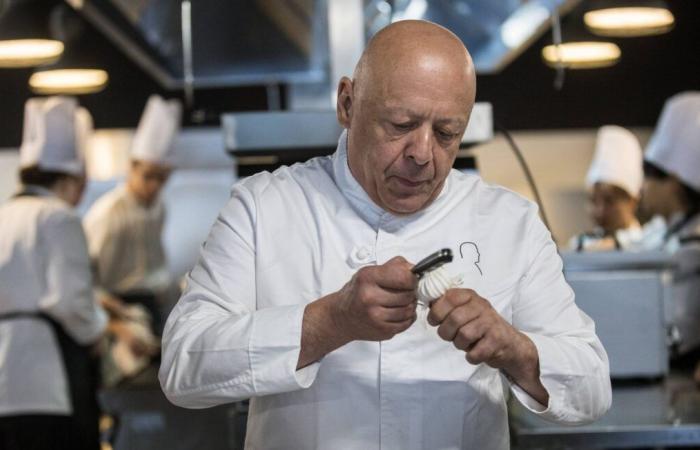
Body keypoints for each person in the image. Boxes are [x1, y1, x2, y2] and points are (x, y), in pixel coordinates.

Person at [159, 20, 611, 449]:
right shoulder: (263, 208)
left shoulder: (509, 223)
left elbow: (592, 387)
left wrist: (517, 350)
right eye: (400, 126)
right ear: (348, 104)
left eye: (447, 133)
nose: (422, 154)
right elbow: (183, 364)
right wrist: (328, 322)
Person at [0, 97, 107, 450]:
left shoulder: (4, 213)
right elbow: (69, 302)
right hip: (47, 381)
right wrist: (98, 333)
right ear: (73, 177)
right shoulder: (58, 217)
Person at [83, 94, 182, 338]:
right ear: (132, 168)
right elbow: (88, 274)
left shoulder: (159, 208)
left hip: (152, 303)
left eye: (162, 178)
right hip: (116, 306)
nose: (155, 186)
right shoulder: (108, 211)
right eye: (148, 176)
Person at [635, 92, 700, 252]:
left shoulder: (693, 243)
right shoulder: (666, 229)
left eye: (648, 175)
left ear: (673, 181)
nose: (641, 187)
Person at [569, 125, 643, 251]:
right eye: (593, 201)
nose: (600, 211)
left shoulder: (649, 244)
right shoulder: (580, 244)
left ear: (632, 201)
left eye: (610, 201)